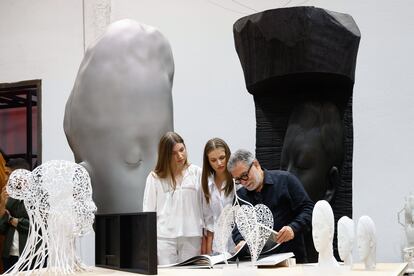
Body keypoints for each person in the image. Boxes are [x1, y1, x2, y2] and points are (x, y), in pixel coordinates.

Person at [228, 149, 314, 263]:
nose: (243, 182)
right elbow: (237, 225)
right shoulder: (241, 196)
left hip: (291, 260)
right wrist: (241, 241)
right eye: (238, 180)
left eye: (245, 175)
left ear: (256, 164)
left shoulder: (286, 180)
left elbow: (308, 209)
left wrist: (293, 228)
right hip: (258, 262)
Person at [143, 132, 203, 265]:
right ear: (165, 155)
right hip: (164, 238)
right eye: (173, 153)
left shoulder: (196, 173)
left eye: (182, 150)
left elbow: (205, 206)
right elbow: (148, 211)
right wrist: (149, 242)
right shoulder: (154, 177)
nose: (180, 156)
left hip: (192, 235)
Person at [201, 138, 236, 254]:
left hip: (237, 243)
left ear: (228, 155)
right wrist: (208, 251)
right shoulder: (207, 184)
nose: (219, 163)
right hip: (217, 247)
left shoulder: (238, 181)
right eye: (213, 160)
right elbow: (209, 220)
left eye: (222, 158)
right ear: (208, 162)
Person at [0, 158, 30, 271]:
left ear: (20, 175)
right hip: (9, 255)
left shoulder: (38, 197)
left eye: (8, 174)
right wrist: (2, 205)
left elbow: (40, 227)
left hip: (30, 255)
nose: (6, 178)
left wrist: (13, 220)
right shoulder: (9, 197)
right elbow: (1, 229)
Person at [312, 200, 338, 267]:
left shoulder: (335, 270)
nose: (315, 235)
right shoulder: (316, 268)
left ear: (330, 231)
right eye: (314, 227)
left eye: (320, 227)